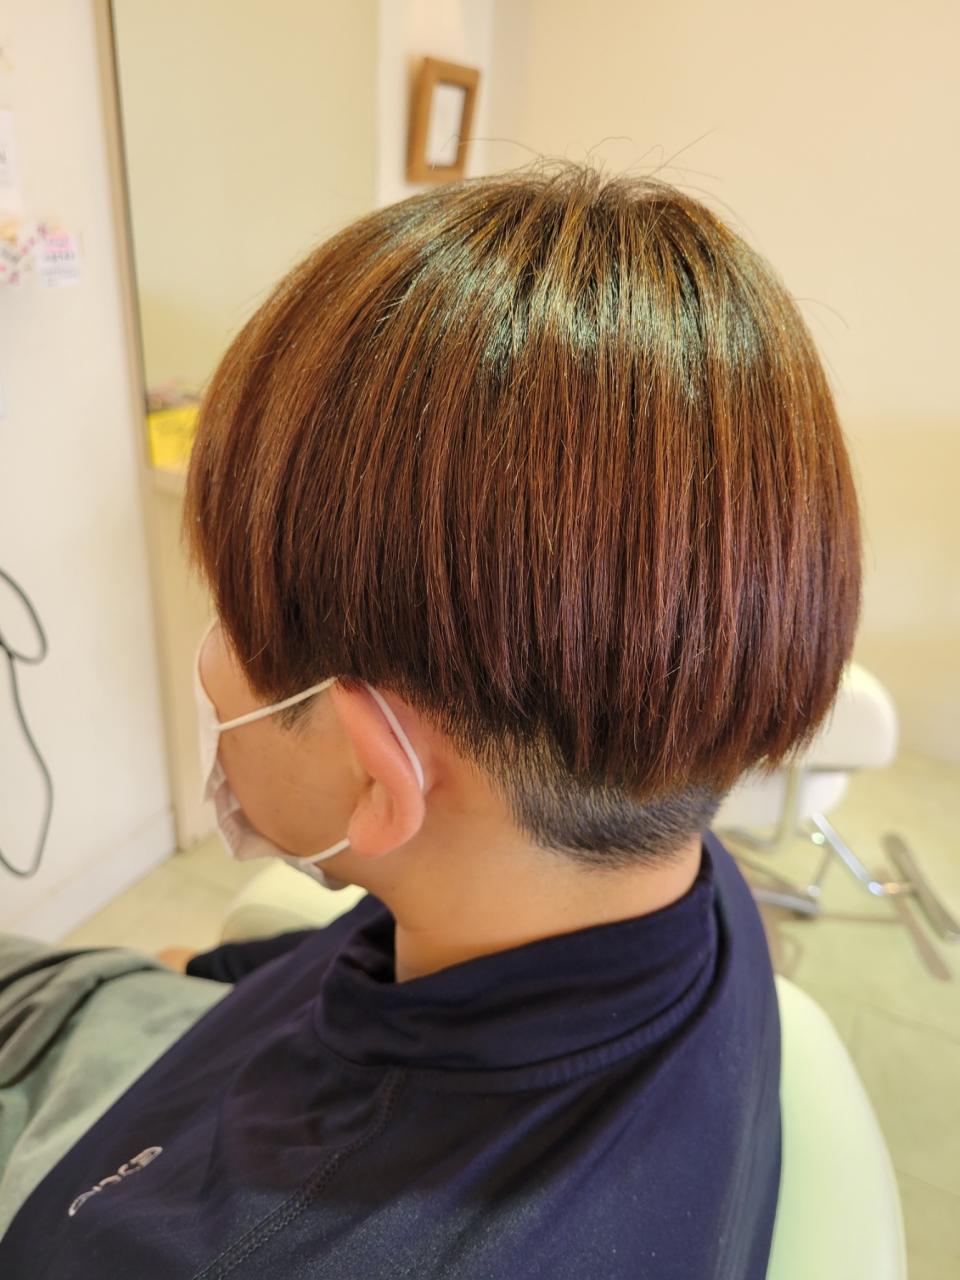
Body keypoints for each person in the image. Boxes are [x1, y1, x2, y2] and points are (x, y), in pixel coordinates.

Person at [0, 159, 862, 1277]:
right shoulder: (675, 867)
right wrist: (230, 978)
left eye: (231, 617)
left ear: (380, 777)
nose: (212, 663)